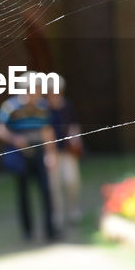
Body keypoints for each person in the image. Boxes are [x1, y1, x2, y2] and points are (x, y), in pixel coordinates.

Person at [0, 76, 59, 242]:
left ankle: (50, 230)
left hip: (39, 152)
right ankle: (27, 231)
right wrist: (15, 139)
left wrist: (50, 154)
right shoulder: (11, 107)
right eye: (33, 89)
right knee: (23, 193)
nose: (36, 93)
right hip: (20, 154)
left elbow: (47, 130)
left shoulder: (43, 106)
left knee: (45, 190)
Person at [44, 74, 84, 228]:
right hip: (52, 152)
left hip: (68, 151)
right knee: (54, 186)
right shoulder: (44, 108)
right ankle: (57, 215)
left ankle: (74, 210)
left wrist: (75, 137)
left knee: (71, 180)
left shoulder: (67, 104)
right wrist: (49, 152)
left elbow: (74, 123)